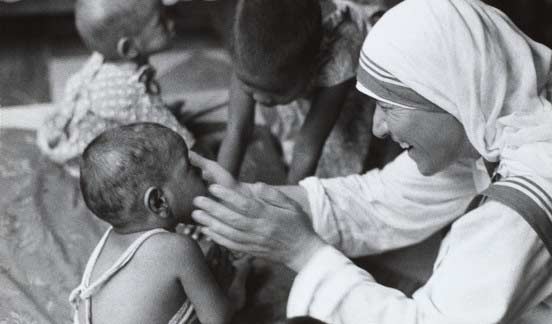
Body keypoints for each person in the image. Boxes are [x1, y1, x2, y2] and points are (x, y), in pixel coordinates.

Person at [190, 0, 552, 323]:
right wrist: (262, 202)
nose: (378, 128)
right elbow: (385, 200)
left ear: (450, 93)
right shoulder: (508, 115)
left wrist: (302, 253)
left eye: (389, 106)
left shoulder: (525, 203)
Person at [69, 123, 243, 324]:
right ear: (158, 201)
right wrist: (230, 285)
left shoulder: (108, 243)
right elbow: (218, 320)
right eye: (190, 169)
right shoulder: (179, 249)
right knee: (230, 287)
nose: (202, 173)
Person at [217, 0, 383, 184]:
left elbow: (308, 147)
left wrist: (289, 199)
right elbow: (237, 129)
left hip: (349, 83)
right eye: (248, 85)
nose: (259, 98)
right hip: (290, 74)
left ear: (310, 69)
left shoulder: (341, 49)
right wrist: (220, 190)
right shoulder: (247, 48)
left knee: (341, 153)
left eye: (275, 92)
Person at [37, 0, 193, 177]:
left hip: (80, 125)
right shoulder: (129, 90)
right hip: (89, 155)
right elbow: (180, 138)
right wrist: (197, 151)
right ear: (129, 48)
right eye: (161, 22)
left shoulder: (106, 58)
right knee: (154, 165)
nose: (172, 22)